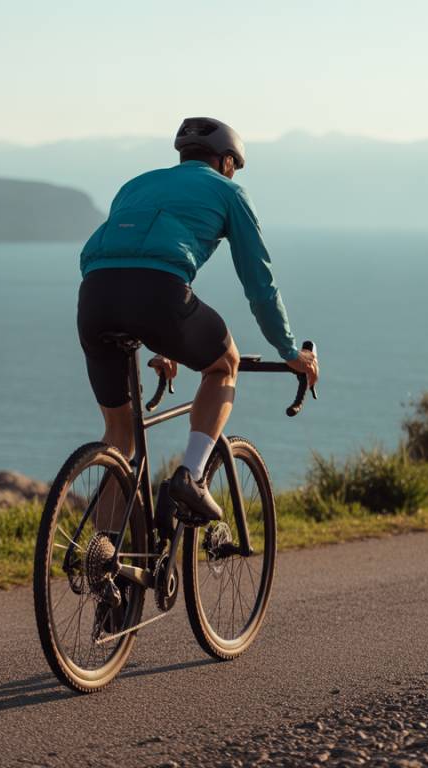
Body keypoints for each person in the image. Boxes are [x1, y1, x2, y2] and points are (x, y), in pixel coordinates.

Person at [76, 117, 319, 524]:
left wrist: (161, 343)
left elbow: (130, 262)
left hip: (94, 296)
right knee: (224, 364)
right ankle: (190, 476)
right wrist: (289, 350)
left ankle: (101, 553)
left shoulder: (135, 185)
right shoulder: (229, 192)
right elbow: (259, 284)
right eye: (234, 166)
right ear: (227, 161)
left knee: (119, 435)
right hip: (158, 295)